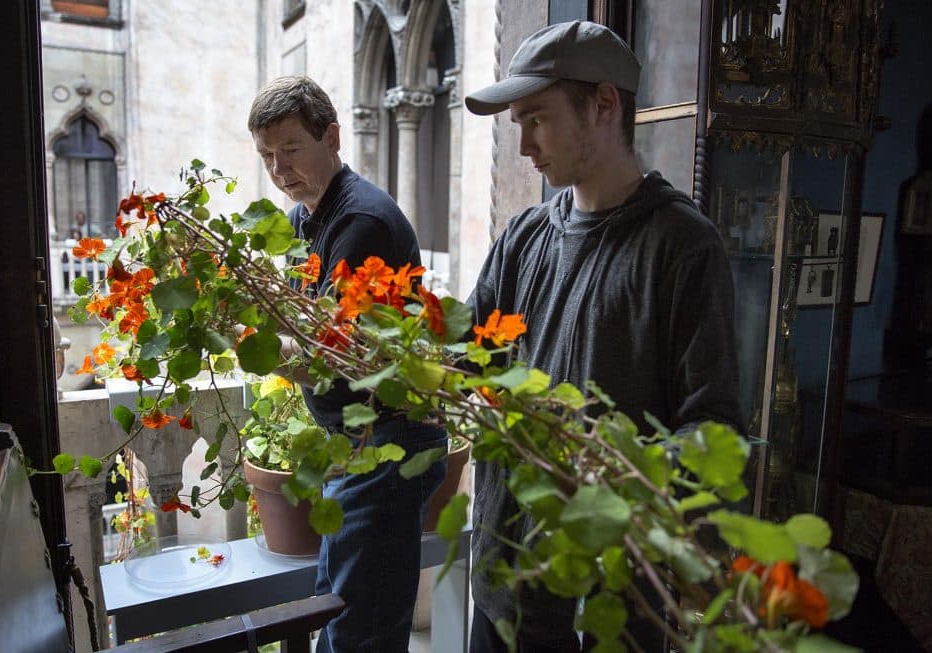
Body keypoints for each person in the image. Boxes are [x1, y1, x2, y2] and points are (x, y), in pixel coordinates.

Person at [463, 21, 743, 652]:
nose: (525, 146)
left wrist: (612, 469)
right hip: (503, 580)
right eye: (517, 125)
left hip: (607, 608)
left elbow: (711, 432)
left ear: (605, 104)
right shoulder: (524, 235)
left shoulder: (682, 245)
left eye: (538, 119)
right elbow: (467, 356)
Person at [247, 76, 447, 653]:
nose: (279, 169)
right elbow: (294, 318)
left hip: (388, 444)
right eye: (266, 155)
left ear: (331, 137)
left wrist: (259, 345)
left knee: (359, 632)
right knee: (337, 616)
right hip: (353, 444)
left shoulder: (361, 223)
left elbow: (330, 358)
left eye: (289, 149)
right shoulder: (304, 217)